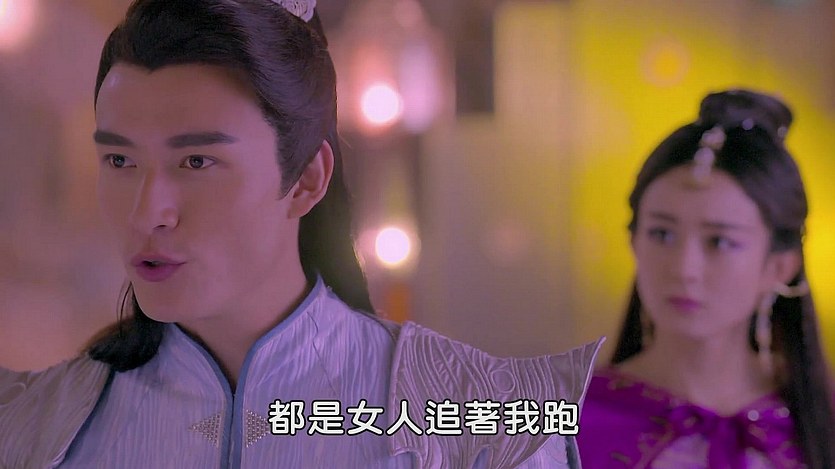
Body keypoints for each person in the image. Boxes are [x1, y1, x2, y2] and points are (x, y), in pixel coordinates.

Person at [0, 0, 601, 467]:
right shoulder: (35, 430)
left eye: (196, 161)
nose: (147, 212)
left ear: (306, 179)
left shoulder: (483, 427)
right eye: (120, 160)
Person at [576, 89, 835, 468]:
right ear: (634, 242)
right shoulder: (569, 424)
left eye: (720, 242)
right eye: (662, 234)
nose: (685, 269)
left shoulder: (817, 419)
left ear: (780, 266)